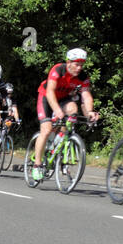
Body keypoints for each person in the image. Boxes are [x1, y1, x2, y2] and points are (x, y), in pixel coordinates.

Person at [32, 48, 98, 184]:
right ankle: (37, 165)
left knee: (73, 110)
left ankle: (62, 143)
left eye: (81, 65)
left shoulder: (82, 77)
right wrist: (57, 110)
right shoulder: (58, 70)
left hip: (63, 99)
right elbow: (50, 92)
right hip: (46, 97)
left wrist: (90, 112)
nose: (79, 68)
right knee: (46, 129)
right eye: (76, 64)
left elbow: (86, 95)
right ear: (68, 62)